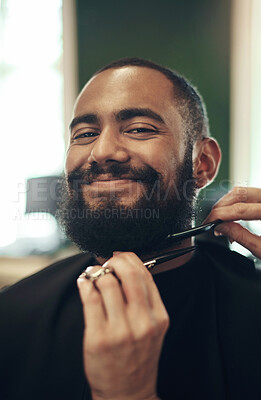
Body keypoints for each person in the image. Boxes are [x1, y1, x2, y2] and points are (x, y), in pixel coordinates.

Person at [0, 58, 261, 400]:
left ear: (203, 163)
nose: (102, 151)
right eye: (85, 134)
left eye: (139, 129)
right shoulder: (12, 318)